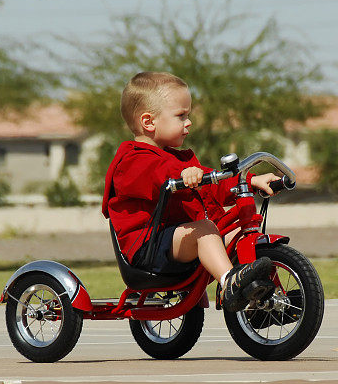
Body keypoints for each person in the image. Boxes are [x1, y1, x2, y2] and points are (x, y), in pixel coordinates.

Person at [102, 71, 281, 312]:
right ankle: (230, 282)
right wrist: (182, 176)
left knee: (238, 232)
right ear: (149, 122)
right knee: (206, 229)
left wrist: (251, 181)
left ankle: (262, 298)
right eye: (181, 115)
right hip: (148, 249)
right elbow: (157, 174)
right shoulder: (132, 161)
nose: (188, 122)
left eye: (188, 115)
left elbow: (212, 185)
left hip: (172, 241)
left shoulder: (175, 160)